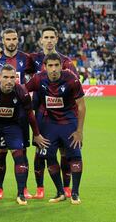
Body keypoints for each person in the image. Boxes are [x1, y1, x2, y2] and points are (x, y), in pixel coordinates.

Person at [0, 64, 49, 205]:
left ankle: (20, 194)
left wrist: (36, 134)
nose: (9, 81)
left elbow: (30, 114)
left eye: (12, 77)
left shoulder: (22, 92)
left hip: (12, 126)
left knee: (19, 157)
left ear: (16, 78)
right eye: (5, 77)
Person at [25, 53, 85, 205]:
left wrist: (79, 131)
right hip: (48, 123)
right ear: (45, 67)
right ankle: (60, 192)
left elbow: (82, 106)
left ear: (61, 65)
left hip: (68, 122)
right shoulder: (39, 78)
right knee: (49, 157)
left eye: (56, 65)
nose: (53, 69)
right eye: (50, 66)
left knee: (75, 156)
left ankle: (75, 193)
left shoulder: (71, 79)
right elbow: (22, 91)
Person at [29, 26, 79, 199]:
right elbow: (14, 61)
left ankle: (66, 188)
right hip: (41, 114)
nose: (49, 40)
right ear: (41, 40)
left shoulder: (66, 62)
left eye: (52, 37)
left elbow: (74, 89)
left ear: (57, 39)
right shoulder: (33, 59)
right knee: (40, 151)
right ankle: (40, 188)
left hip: (63, 116)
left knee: (65, 152)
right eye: (46, 37)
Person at [0, 28, 34, 199]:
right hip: (0, 112)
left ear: (18, 40)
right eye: (8, 38)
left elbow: (33, 78)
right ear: (3, 40)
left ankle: (23, 188)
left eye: (14, 38)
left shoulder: (26, 59)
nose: (11, 41)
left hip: (21, 113)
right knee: (0, 151)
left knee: (22, 151)